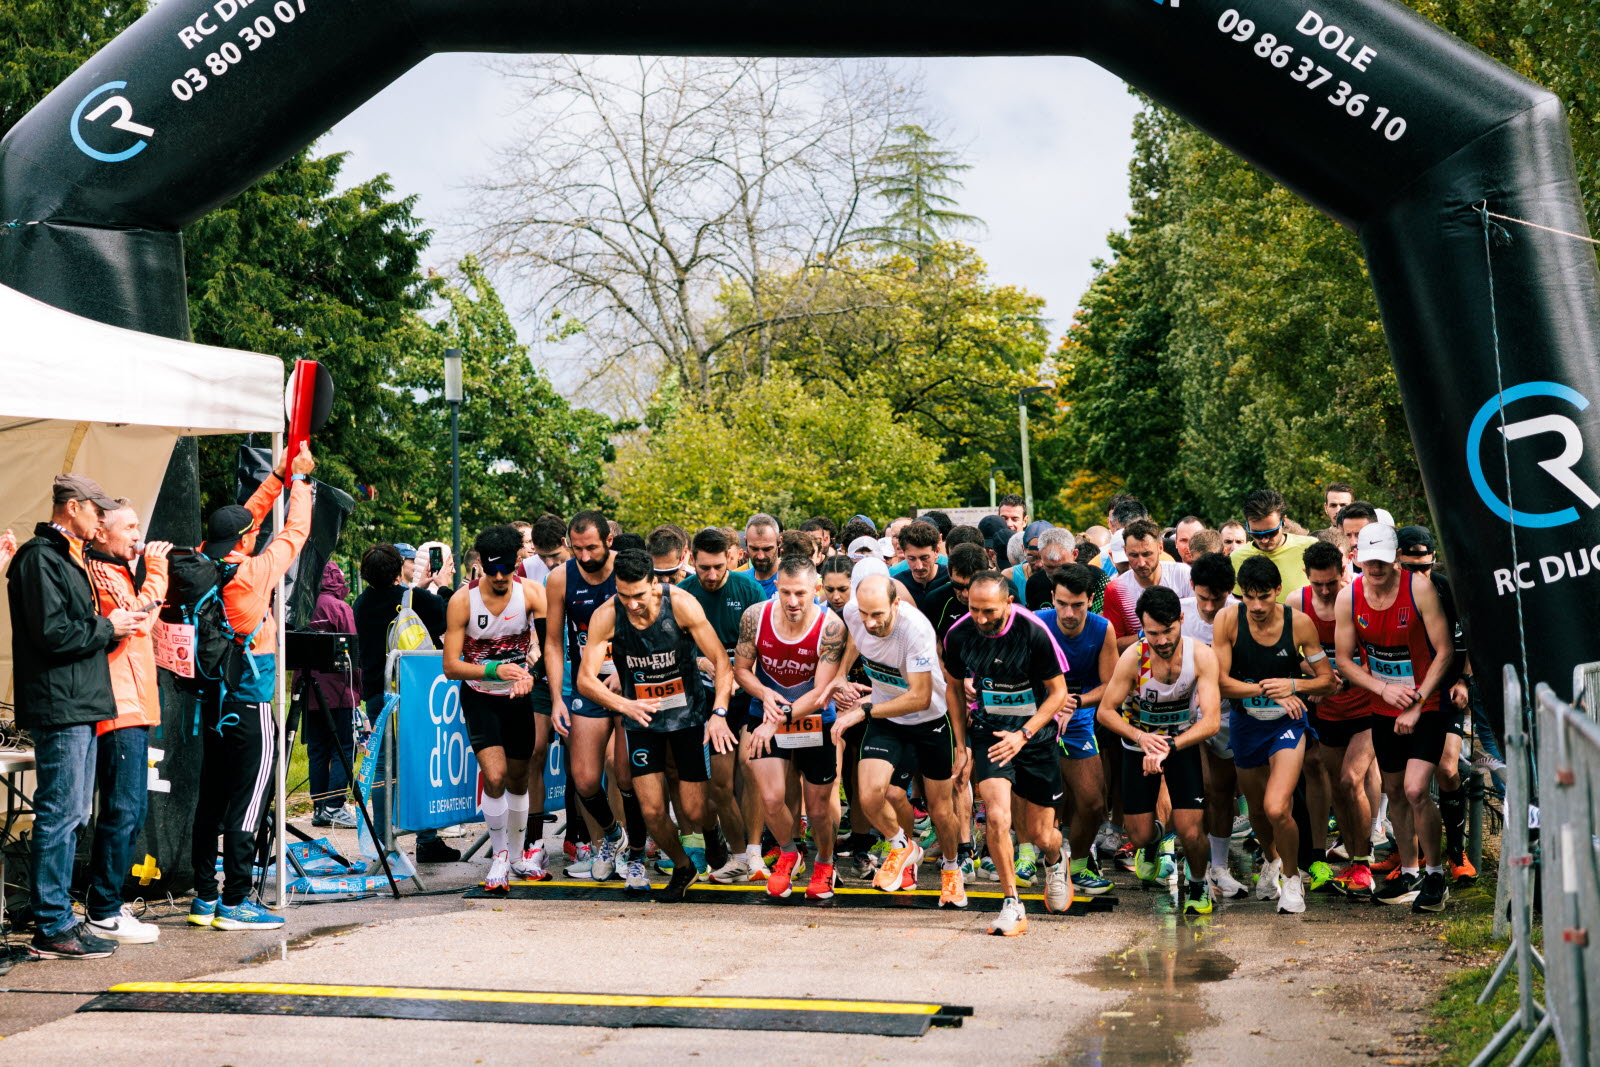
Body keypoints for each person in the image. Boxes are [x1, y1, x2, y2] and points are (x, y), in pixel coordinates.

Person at [9, 474, 143, 959]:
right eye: (96, 511)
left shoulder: (67, 556)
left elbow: (68, 629)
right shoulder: (39, 557)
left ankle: (59, 918)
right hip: (61, 703)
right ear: (73, 507)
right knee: (61, 813)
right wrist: (108, 626)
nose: (101, 520)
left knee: (75, 814)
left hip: (80, 701)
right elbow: (53, 633)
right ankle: (52, 924)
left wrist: (108, 626)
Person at [186, 444, 316, 932]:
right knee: (250, 798)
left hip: (212, 701)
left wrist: (277, 476)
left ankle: (204, 898)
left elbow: (248, 519)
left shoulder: (203, 562)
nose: (256, 532)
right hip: (251, 701)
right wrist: (300, 482)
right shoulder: (254, 573)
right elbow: (295, 532)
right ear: (243, 540)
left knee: (211, 800)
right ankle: (236, 901)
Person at [577, 549, 737, 901]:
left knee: (695, 809)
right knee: (651, 811)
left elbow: (721, 662)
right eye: (624, 595)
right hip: (642, 718)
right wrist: (625, 705)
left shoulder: (680, 604)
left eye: (638, 595)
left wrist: (720, 712)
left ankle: (712, 831)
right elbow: (585, 679)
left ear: (654, 584)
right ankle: (683, 866)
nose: (632, 604)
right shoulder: (607, 614)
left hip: (686, 715)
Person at [943, 572, 1074, 933]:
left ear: (1008, 604)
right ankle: (1012, 903)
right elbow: (953, 688)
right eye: (974, 609)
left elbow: (1059, 693)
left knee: (1041, 834)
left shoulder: (1033, 632)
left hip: (1036, 735)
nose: (981, 618)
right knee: (998, 817)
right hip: (990, 732)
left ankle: (1055, 860)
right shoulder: (959, 634)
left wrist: (1024, 734)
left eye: (989, 611)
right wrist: (961, 746)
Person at [1335, 524, 1455, 913]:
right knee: (1396, 792)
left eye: (1383, 562)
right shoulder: (1349, 597)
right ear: (1357, 558)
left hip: (1426, 702)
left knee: (1417, 789)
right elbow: (1343, 660)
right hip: (1383, 706)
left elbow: (1444, 651)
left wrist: (1417, 702)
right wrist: (1382, 689)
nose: (1376, 569)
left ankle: (1435, 874)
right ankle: (1409, 872)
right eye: (1369, 561)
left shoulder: (1419, 589)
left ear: (1396, 558)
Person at [1212, 555, 1336, 915]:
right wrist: (1268, 690)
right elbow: (1220, 683)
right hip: (1246, 723)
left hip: (1287, 724)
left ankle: (1293, 880)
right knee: (1258, 813)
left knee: (1276, 806)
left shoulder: (1299, 623)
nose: (1256, 606)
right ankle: (1272, 860)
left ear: (1278, 591)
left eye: (1264, 596)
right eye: (1249, 597)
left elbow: (1327, 681)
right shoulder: (1227, 620)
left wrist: (1293, 685)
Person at [833, 575, 965, 898]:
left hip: (928, 720)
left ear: (896, 604)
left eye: (877, 614)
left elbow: (920, 697)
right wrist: (840, 674)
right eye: (864, 613)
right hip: (888, 718)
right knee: (870, 796)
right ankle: (902, 846)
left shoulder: (915, 630)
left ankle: (951, 868)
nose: (870, 622)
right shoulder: (854, 612)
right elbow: (857, 637)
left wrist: (863, 710)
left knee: (940, 810)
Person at [1095, 587, 1222, 916]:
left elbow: (1211, 721)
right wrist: (1141, 737)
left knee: (1191, 830)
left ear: (1181, 619)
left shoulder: (1200, 655)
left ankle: (1198, 882)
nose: (1162, 641)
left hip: (1181, 744)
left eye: (1168, 631)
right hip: (1138, 747)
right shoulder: (1134, 658)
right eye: (1153, 633)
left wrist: (1170, 745)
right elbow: (1105, 712)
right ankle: (1152, 845)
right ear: (1142, 627)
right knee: (1137, 836)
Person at [82, 500, 169, 945]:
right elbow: (139, 620)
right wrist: (157, 571)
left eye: (139, 526)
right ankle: (102, 910)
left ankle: (109, 904)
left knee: (131, 811)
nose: (139, 535)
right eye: (130, 527)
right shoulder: (99, 571)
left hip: (136, 704)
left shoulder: (118, 570)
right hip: (117, 706)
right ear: (102, 532)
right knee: (122, 810)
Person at [442, 525, 548, 891]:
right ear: (481, 565)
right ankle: (499, 856)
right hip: (480, 696)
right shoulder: (463, 600)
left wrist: (532, 674)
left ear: (518, 562)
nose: (500, 577)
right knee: (496, 775)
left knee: (519, 778)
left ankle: (517, 857)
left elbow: (548, 647)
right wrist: (493, 670)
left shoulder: (532, 593)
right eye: (492, 570)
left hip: (518, 696)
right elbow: (451, 667)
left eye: (506, 569)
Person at [738, 556, 849, 901]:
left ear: (816, 590)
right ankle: (789, 852)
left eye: (800, 593)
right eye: (785, 592)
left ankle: (825, 862)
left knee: (817, 810)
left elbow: (820, 692)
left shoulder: (831, 627)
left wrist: (776, 719)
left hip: (813, 720)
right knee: (771, 799)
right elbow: (741, 670)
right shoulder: (755, 616)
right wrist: (763, 694)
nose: (792, 601)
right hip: (767, 716)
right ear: (776, 588)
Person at [351, 543, 456, 864]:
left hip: (377, 695)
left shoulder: (360, 604)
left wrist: (417, 588)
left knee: (383, 766)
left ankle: (383, 842)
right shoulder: (416, 598)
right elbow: (447, 615)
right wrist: (441, 586)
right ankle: (427, 840)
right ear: (399, 569)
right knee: (420, 761)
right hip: (414, 694)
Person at [546, 510, 634, 882]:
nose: (584, 556)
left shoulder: (629, 569)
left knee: (627, 774)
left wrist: (626, 672)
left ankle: (635, 852)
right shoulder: (559, 578)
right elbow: (553, 642)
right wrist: (557, 698)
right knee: (583, 778)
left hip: (630, 683)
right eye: (577, 549)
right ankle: (612, 839)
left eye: (592, 548)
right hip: (587, 684)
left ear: (609, 541)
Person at [679, 527, 767, 883]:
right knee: (719, 785)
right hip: (706, 698)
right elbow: (678, 650)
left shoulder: (749, 590)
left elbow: (765, 647)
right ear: (691, 560)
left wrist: (740, 674)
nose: (712, 575)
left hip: (746, 695)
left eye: (719, 567)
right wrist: (704, 662)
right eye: (704, 568)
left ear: (731, 557)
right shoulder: (684, 593)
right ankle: (739, 855)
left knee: (751, 766)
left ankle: (757, 853)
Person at [1395, 525, 1475, 883]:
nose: (1419, 575)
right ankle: (1407, 854)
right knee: (1400, 781)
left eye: (1424, 567)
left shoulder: (1447, 589)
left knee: (1446, 767)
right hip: (1402, 694)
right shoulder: (1386, 592)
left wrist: (1464, 681)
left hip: (1446, 691)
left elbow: (1473, 638)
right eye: (1410, 568)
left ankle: (1457, 853)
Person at [1300, 538, 1379, 898]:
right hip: (1328, 711)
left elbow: (1377, 654)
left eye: (1331, 582)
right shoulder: (1298, 604)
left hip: (1367, 708)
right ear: (1306, 576)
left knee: (1351, 779)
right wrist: (1316, 677)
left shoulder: (1360, 599)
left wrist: (1339, 681)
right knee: (1338, 788)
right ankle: (1353, 860)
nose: (1325, 590)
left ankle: (1363, 863)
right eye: (1317, 583)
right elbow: (1291, 652)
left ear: (1344, 571)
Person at [1035, 565, 1116, 895]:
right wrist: (1052, 704)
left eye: (1077, 605)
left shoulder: (1102, 629)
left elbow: (1110, 685)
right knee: (1032, 797)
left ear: (1091, 600)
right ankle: (1028, 857)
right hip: (1038, 716)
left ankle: (1079, 867)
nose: (1069, 613)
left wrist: (1075, 701)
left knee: (1093, 803)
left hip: (1078, 716)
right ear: (1052, 598)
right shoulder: (1037, 623)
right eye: (1062, 604)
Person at [1180, 551, 1249, 900]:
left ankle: (1219, 868)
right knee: (1198, 790)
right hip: (1184, 716)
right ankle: (1195, 866)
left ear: (1230, 591)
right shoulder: (1179, 613)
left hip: (1225, 714)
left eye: (1217, 599)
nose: (1209, 607)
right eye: (1203, 597)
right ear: (1192, 586)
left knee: (1221, 792)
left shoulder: (1242, 614)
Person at [301, 561, 361, 828]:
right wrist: (357, 689)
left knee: (317, 750)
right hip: (339, 689)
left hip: (308, 688)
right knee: (343, 748)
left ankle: (319, 808)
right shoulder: (340, 608)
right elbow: (352, 651)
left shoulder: (303, 605)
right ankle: (334, 805)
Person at [1109, 519, 1193, 649]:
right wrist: (1146, 634)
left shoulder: (1183, 575)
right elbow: (1114, 645)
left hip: (1184, 654)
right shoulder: (1116, 589)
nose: (1141, 563)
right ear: (1125, 551)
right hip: (1141, 658)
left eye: (1147, 554)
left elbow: (1198, 624)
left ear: (1160, 548)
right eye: (1134, 555)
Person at [1227, 488, 1319, 602]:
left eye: (1271, 533)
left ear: (1283, 521)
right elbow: (1239, 603)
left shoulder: (1310, 547)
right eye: (1256, 534)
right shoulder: (1237, 557)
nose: (1264, 540)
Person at [921, 543, 989, 642]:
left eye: (972, 586)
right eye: (958, 586)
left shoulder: (1004, 597)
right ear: (949, 573)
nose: (966, 594)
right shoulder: (935, 600)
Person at [896, 519, 948, 612]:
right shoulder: (897, 584)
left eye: (924, 558)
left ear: (936, 551)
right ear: (904, 553)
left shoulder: (950, 579)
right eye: (912, 558)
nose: (919, 566)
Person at [743, 514, 782, 596]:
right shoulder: (739, 582)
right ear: (745, 541)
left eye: (767, 549)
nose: (761, 556)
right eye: (754, 549)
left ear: (779, 542)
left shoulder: (796, 580)